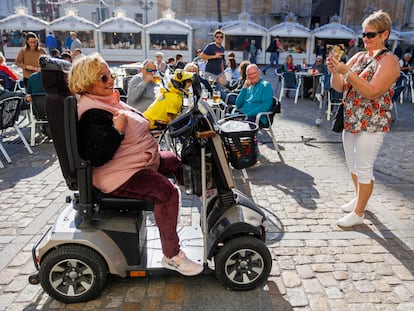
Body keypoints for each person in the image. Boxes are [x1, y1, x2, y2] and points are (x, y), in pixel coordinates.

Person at [67, 53, 203, 276]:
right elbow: (96, 154)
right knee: (166, 192)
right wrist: (117, 131)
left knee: (176, 162)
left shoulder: (105, 99)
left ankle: (204, 197)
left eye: (109, 75)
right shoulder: (92, 112)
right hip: (119, 174)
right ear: (86, 83)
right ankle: (172, 255)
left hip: (134, 162)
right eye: (103, 78)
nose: (110, 80)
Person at [326, 10, 400, 227]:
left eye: (370, 35)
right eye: (364, 34)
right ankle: (360, 198)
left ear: (384, 35)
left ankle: (359, 213)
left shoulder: (390, 61)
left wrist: (346, 72)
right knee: (352, 164)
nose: (365, 39)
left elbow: (373, 91)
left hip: (372, 123)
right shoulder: (359, 56)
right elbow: (340, 87)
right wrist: (335, 72)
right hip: (350, 120)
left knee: (364, 167)